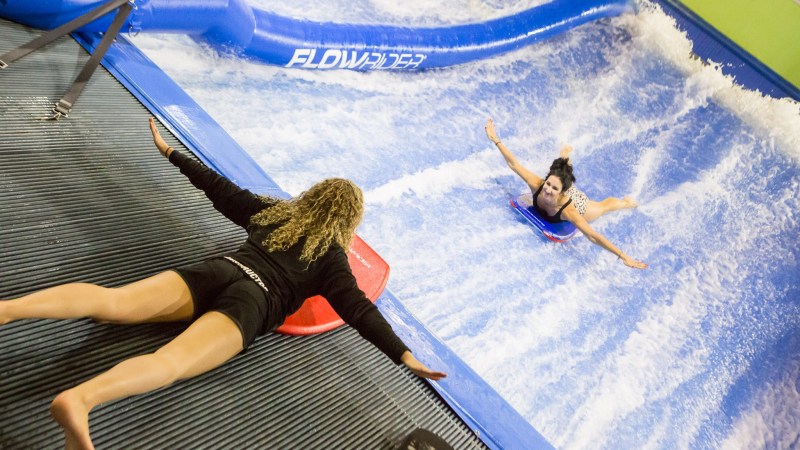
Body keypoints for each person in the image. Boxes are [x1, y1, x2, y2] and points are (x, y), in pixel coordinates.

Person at [0, 118, 447, 450]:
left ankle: (9, 309)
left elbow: (219, 188)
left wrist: (173, 154)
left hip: (221, 268)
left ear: (311, 196)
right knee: (169, 362)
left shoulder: (273, 215)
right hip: (251, 304)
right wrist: (403, 354)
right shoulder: (331, 259)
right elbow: (359, 310)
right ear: (350, 223)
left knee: (111, 301)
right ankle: (81, 400)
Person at [485, 118, 647, 269]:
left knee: (602, 207)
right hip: (563, 186)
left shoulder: (569, 211)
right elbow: (514, 164)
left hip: (579, 204)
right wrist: (496, 140)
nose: (547, 190)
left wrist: (624, 256)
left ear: (562, 192)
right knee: (559, 172)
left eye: (554, 188)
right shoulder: (537, 185)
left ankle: (626, 203)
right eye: (548, 184)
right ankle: (564, 157)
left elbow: (592, 236)